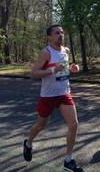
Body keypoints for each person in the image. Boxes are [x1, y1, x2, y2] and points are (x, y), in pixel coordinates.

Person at [23, 24, 84, 172]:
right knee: (41, 125)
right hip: (48, 95)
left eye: (62, 32)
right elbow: (34, 73)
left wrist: (73, 69)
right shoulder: (46, 53)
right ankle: (28, 143)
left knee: (74, 124)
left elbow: (65, 70)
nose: (60, 35)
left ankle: (68, 161)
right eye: (57, 33)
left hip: (64, 93)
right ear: (50, 37)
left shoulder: (66, 51)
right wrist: (52, 69)